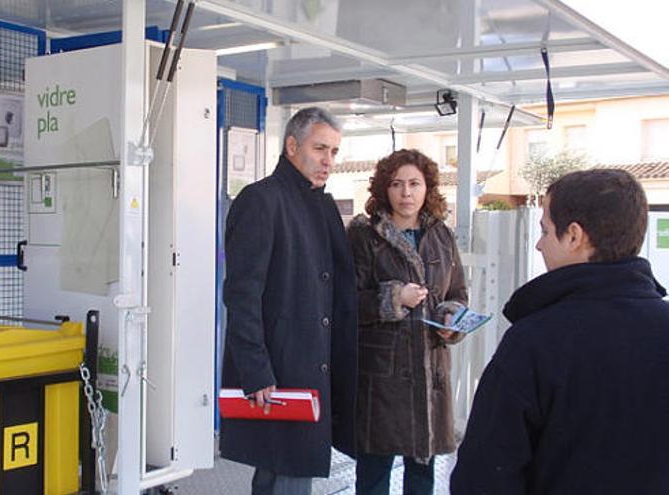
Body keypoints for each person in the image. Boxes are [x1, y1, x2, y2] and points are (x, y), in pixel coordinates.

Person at [451, 169, 669, 494]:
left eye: (545, 230)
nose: (538, 244)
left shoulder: (534, 341)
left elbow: (484, 476)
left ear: (574, 236)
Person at [220, 107, 358, 494]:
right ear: (292, 145)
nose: (328, 161)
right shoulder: (260, 200)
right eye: (320, 149)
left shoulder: (322, 205)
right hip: (281, 373)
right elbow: (241, 294)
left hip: (312, 366)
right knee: (287, 472)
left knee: (280, 472)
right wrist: (256, 370)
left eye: (333, 151)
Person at [346, 149, 467, 495]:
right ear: (384, 189)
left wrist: (451, 318)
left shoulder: (441, 235)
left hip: (430, 372)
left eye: (415, 183)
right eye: (397, 184)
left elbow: (457, 292)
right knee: (373, 474)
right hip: (382, 375)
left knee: (421, 474)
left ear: (428, 188)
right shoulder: (364, 236)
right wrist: (393, 298)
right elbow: (346, 302)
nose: (406, 193)